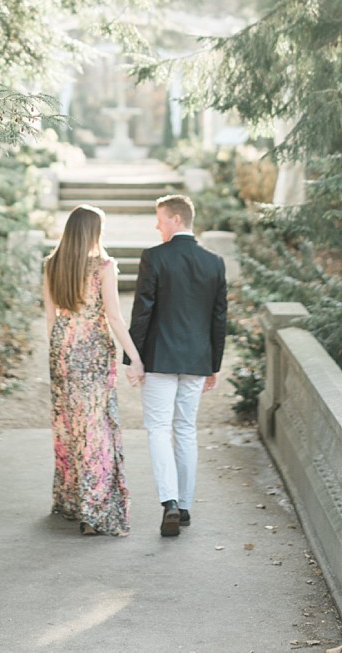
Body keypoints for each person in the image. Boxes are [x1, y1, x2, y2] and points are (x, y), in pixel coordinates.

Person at [127, 193, 227, 537]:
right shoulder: (214, 263)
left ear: (176, 220)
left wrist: (134, 358)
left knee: (158, 429)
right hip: (197, 359)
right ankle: (184, 506)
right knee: (185, 429)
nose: (157, 225)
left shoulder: (154, 258)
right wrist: (214, 363)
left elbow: (142, 311)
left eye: (160, 219)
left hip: (160, 357)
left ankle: (168, 501)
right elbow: (219, 317)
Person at [43, 204, 145, 536]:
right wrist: (135, 357)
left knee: (70, 427)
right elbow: (114, 318)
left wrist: (59, 354)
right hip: (93, 352)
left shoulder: (51, 265)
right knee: (96, 430)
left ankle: (74, 501)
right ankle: (94, 510)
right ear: (93, 232)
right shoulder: (104, 267)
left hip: (62, 349)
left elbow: (50, 319)